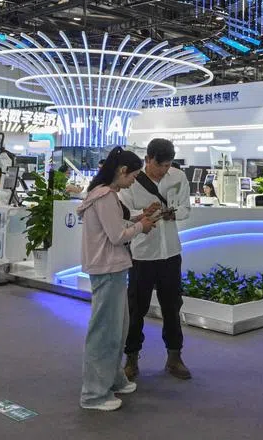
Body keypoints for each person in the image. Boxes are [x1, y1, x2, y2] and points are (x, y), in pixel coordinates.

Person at [77, 147, 159, 411]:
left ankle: (112, 379)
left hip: (111, 268)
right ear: (122, 171)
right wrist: (141, 227)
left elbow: (114, 226)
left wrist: (138, 219)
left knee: (117, 329)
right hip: (107, 269)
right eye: (133, 176)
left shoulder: (105, 196)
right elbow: (116, 236)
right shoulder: (104, 197)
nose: (134, 181)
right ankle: (93, 394)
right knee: (105, 333)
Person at [119, 139, 193, 382]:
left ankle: (174, 357)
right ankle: (131, 358)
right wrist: (143, 217)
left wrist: (174, 213)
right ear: (148, 159)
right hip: (142, 254)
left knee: (172, 306)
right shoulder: (132, 182)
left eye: (168, 165)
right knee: (136, 308)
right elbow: (125, 215)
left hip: (170, 252)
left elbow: (185, 208)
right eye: (159, 165)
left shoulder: (178, 177)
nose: (163, 170)